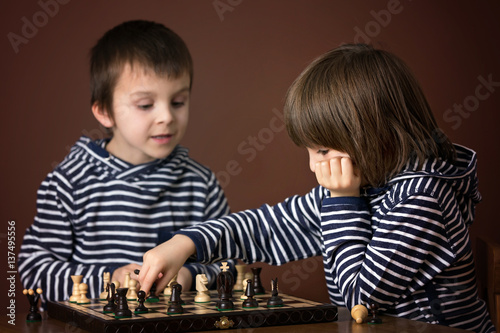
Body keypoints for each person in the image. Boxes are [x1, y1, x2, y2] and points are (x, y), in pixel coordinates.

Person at [138, 44, 495, 332]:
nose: (313, 165)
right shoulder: (364, 183)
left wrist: (343, 202)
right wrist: (186, 243)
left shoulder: (423, 198)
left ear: (373, 134)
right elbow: (270, 227)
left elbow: (356, 298)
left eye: (323, 149)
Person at [18, 20, 233, 306]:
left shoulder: (201, 184)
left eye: (178, 102)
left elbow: (229, 264)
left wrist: (189, 275)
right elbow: (33, 271)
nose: (166, 116)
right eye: (146, 105)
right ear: (105, 112)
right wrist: (109, 279)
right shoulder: (69, 183)